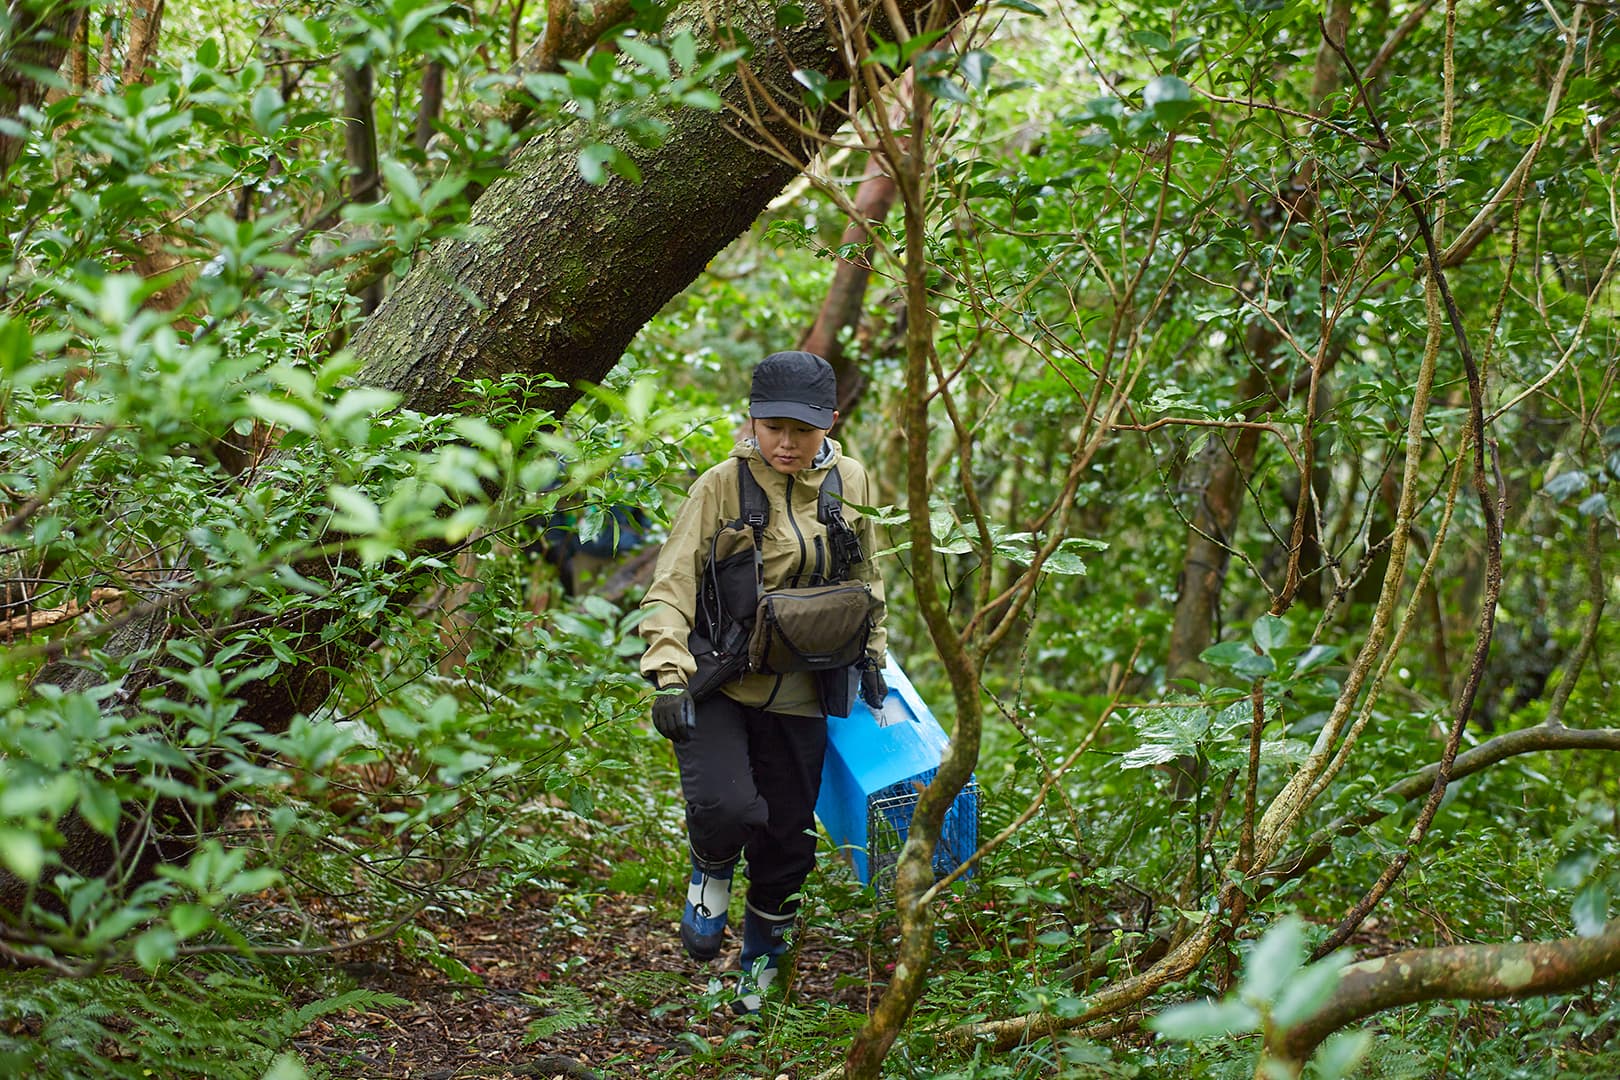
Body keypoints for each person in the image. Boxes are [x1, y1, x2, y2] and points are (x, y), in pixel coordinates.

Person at [638, 350, 888, 1013]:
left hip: (804, 687)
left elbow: (869, 582)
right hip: (720, 678)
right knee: (729, 808)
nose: (785, 442)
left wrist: (875, 661)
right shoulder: (721, 485)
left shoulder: (851, 481)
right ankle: (711, 871)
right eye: (772, 426)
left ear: (828, 424)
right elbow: (671, 584)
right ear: (752, 420)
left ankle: (760, 981)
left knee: (787, 847)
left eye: (801, 431)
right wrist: (667, 673)